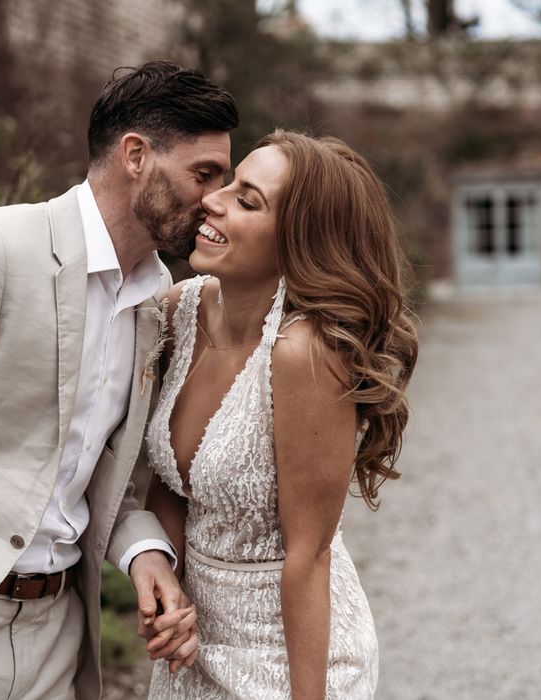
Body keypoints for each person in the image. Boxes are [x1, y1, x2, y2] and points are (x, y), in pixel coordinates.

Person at [0, 60, 237, 699]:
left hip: (61, 638)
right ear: (136, 155)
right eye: (205, 174)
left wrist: (146, 554)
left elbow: (104, 474)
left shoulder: (158, 298)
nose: (216, 199)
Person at [144, 130, 418, 699]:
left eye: (247, 200)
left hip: (289, 658)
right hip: (191, 648)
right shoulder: (180, 311)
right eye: (228, 183)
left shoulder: (302, 354)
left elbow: (309, 556)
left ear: (297, 242)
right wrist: (165, 594)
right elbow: (173, 484)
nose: (212, 201)